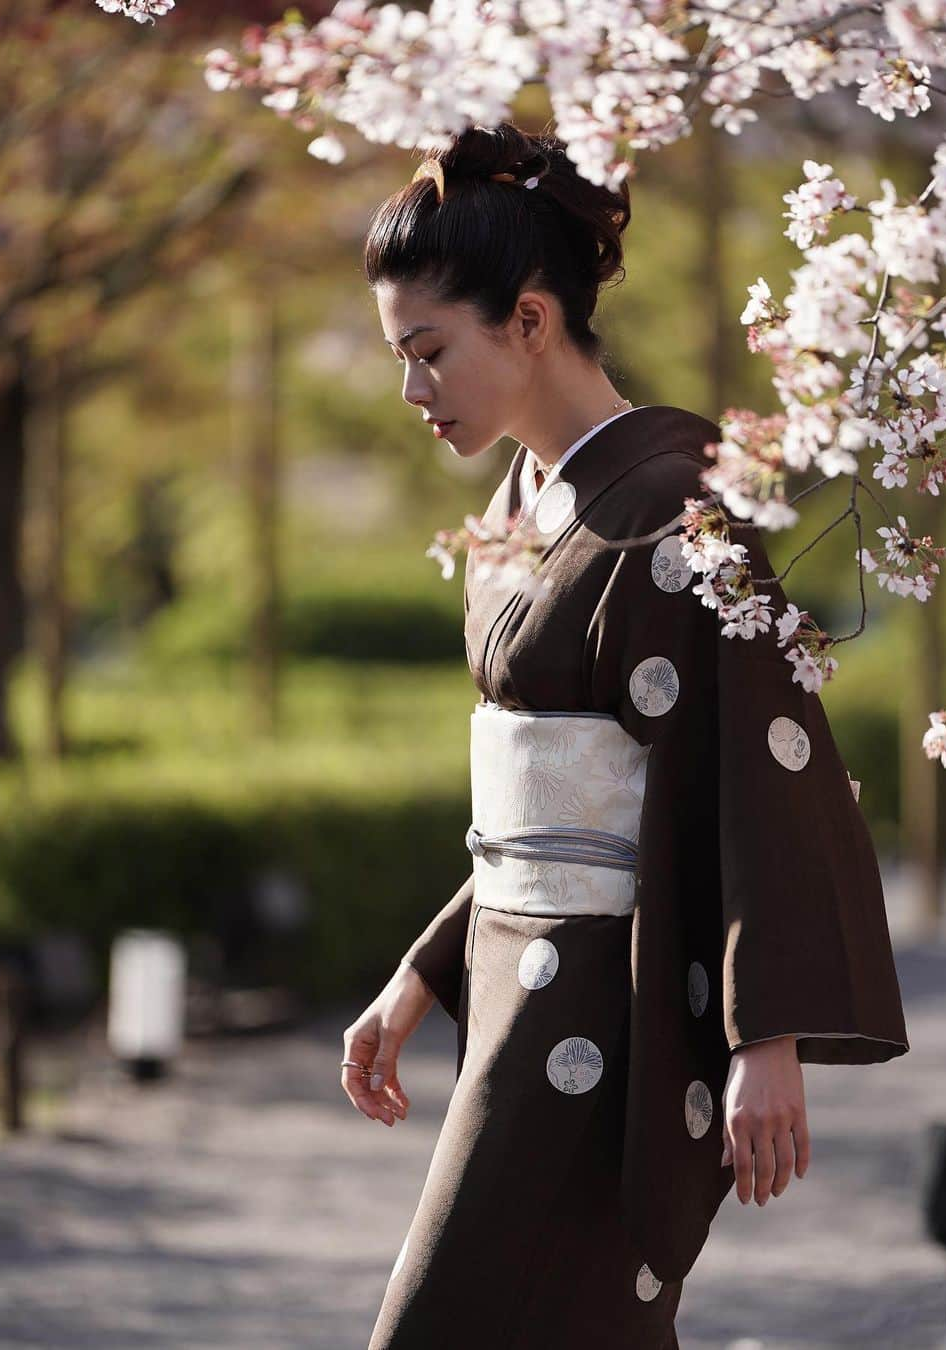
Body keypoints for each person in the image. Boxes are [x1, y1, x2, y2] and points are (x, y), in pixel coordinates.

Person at [340, 121, 910, 1349]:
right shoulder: (517, 509)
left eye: (429, 352)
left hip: (613, 1015)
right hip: (518, 994)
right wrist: (423, 974)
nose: (411, 391)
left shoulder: (682, 513)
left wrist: (768, 1034)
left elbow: (762, 769)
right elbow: (540, 809)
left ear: (532, 321)